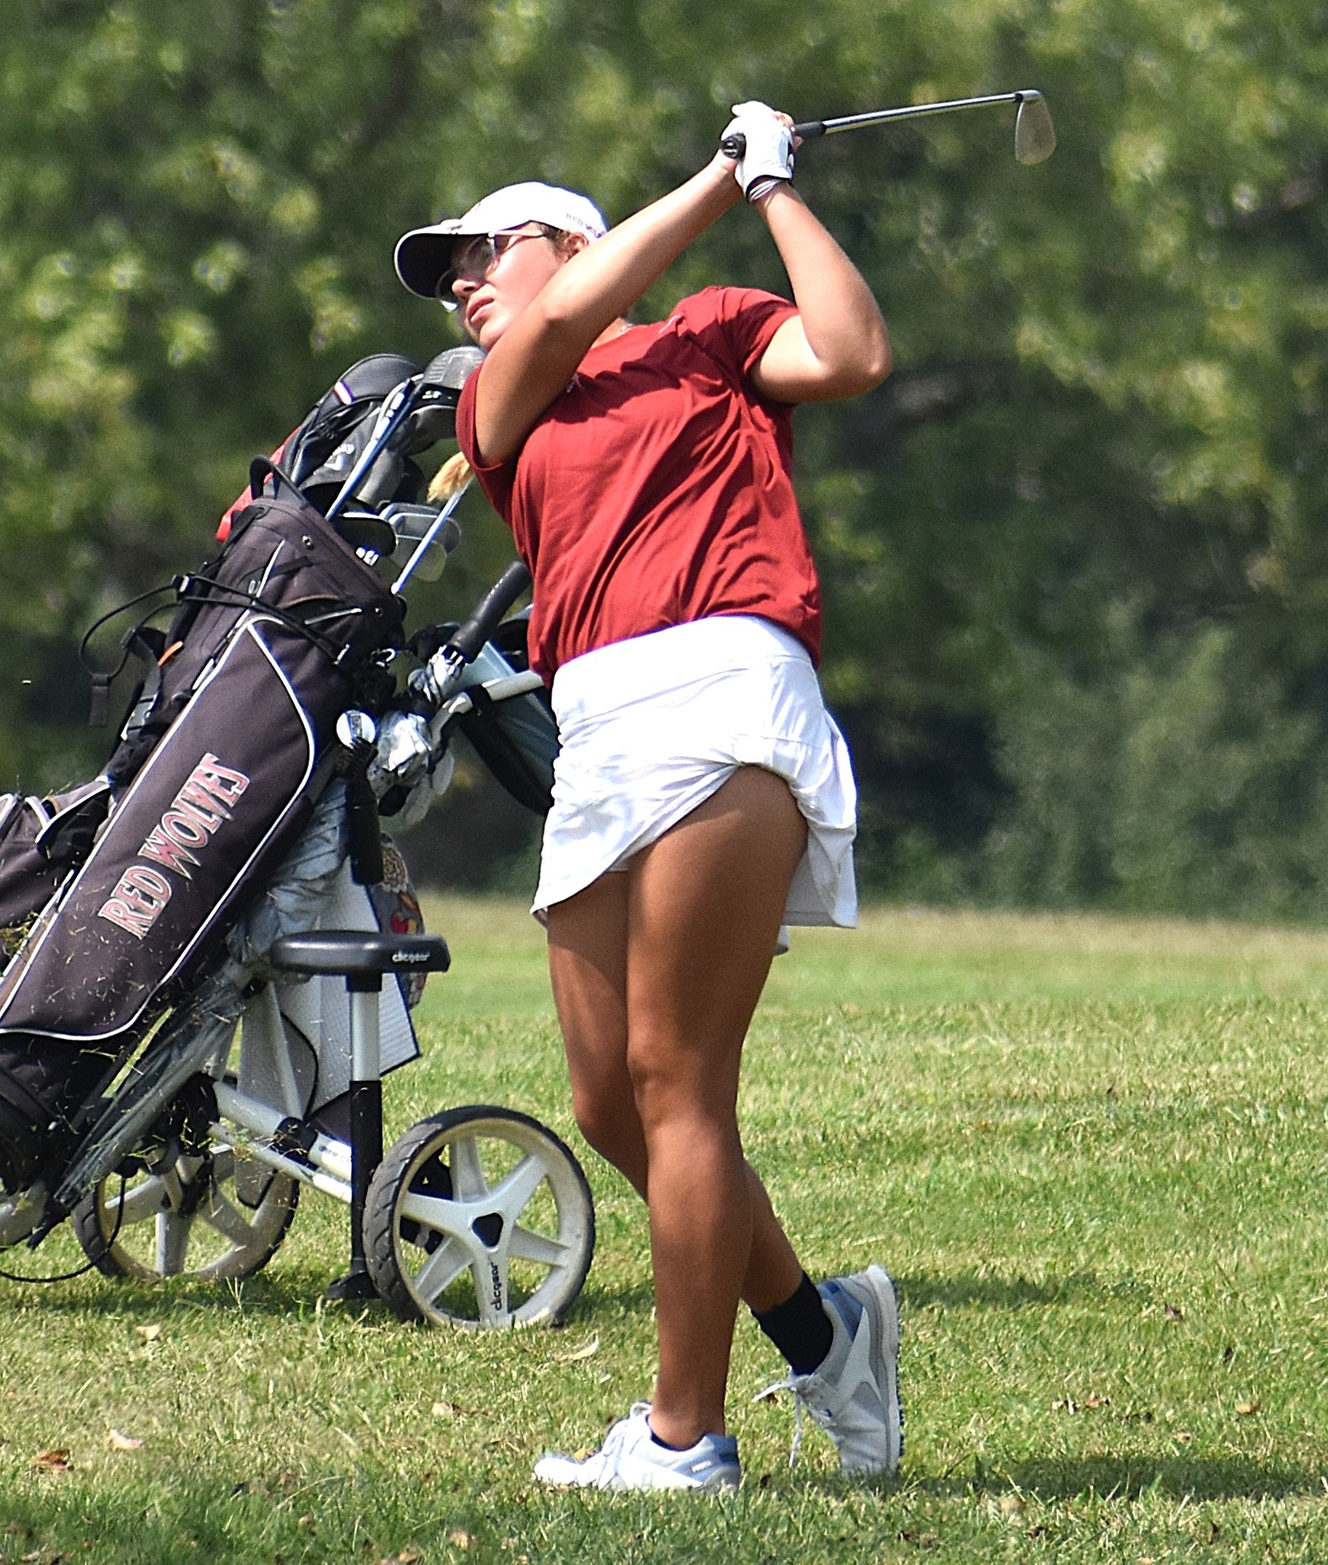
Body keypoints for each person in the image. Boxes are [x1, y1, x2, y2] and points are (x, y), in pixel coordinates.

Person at [390, 105, 898, 1492]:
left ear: (574, 240)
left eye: (490, 250)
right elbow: (557, 332)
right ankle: (821, 1324)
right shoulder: (498, 401)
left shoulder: (718, 331)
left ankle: (685, 1438)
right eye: (451, 273)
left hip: (725, 687)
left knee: (680, 1082)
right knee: (611, 1099)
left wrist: (775, 189)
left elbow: (851, 351)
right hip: (598, 725)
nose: (465, 285)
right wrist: (716, 178)